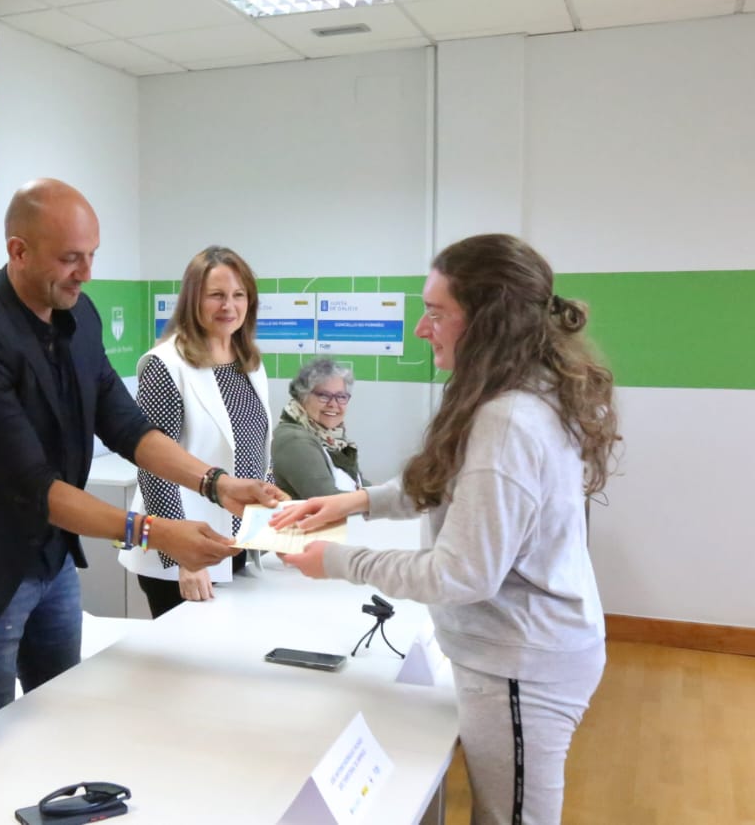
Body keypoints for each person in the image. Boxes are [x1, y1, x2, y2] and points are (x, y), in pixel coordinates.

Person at [273, 234, 617, 825]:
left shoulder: (507, 418)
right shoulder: (516, 390)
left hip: (522, 662)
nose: (418, 329)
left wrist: (334, 561)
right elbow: (445, 479)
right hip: (523, 652)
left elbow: (460, 573)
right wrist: (354, 503)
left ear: (489, 321)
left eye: (435, 313)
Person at [0, 179, 283, 732]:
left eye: (92, 256)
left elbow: (127, 427)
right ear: (18, 251)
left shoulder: (78, 316)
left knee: (63, 710)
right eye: (70, 258)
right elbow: (37, 488)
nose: (86, 273)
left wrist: (215, 484)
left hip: (54, 560)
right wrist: (161, 534)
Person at [118, 247, 272, 617]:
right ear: (192, 300)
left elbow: (259, 452)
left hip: (236, 544)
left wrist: (270, 530)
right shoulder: (165, 366)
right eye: (216, 295)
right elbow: (154, 468)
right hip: (183, 558)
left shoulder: (247, 360)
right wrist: (186, 557)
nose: (229, 306)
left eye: (239, 295)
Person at [271, 357, 363, 500]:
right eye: (324, 396)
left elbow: (359, 483)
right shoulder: (294, 440)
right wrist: (375, 501)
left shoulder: (331, 438)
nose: (333, 404)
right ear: (303, 396)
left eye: (341, 396)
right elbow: (327, 499)